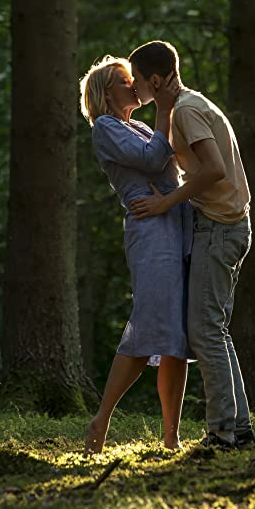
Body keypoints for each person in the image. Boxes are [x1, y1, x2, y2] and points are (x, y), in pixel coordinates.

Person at [127, 40, 255, 449]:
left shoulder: (186, 110)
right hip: (225, 226)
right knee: (214, 330)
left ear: (158, 79)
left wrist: (166, 200)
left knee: (204, 333)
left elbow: (215, 169)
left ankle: (221, 432)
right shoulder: (185, 105)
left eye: (139, 83)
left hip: (221, 229)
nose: (135, 92)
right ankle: (239, 426)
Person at [78, 55, 193, 453]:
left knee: (176, 335)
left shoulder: (139, 126)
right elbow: (150, 160)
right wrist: (164, 108)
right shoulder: (105, 128)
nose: (136, 85)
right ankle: (102, 418)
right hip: (150, 232)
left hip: (175, 224)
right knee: (148, 327)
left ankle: (171, 437)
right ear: (108, 93)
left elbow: (170, 163)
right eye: (127, 81)